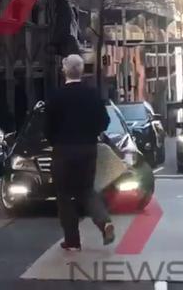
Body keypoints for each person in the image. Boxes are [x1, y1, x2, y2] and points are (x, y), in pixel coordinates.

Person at [45, 54, 115, 251]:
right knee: (86, 190)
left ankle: (72, 240)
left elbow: (47, 127)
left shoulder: (55, 97)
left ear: (64, 70)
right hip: (87, 149)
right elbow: (104, 121)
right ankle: (104, 222)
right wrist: (91, 134)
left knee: (64, 195)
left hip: (63, 150)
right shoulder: (92, 95)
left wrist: (56, 141)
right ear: (82, 71)